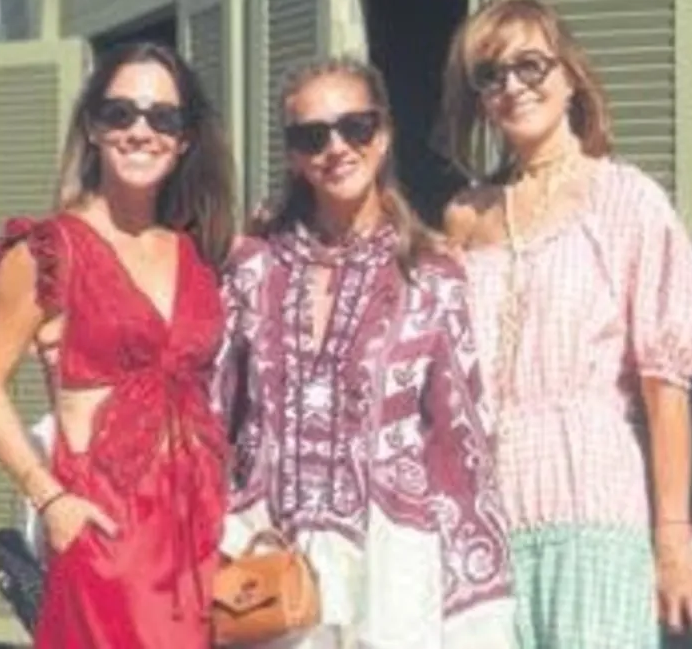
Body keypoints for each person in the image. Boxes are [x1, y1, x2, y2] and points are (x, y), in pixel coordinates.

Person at [436, 0, 692, 646]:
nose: (513, 85)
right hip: (482, 521)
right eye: (491, 74)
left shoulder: (625, 200)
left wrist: (673, 540)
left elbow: (665, 386)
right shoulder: (464, 216)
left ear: (570, 77)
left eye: (530, 65)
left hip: (591, 506)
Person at [215, 55, 514, 649]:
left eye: (355, 127)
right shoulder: (252, 268)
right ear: (293, 155)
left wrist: (476, 604)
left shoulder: (431, 277)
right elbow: (214, 412)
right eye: (312, 135)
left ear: (383, 135)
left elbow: (459, 447)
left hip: (392, 570)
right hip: (267, 567)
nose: (336, 148)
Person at [0, 40, 236, 649]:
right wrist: (49, 498)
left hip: (201, 526)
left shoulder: (194, 250)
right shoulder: (48, 252)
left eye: (163, 117)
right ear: (92, 127)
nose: (141, 131)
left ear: (185, 138)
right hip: (107, 528)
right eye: (120, 113)